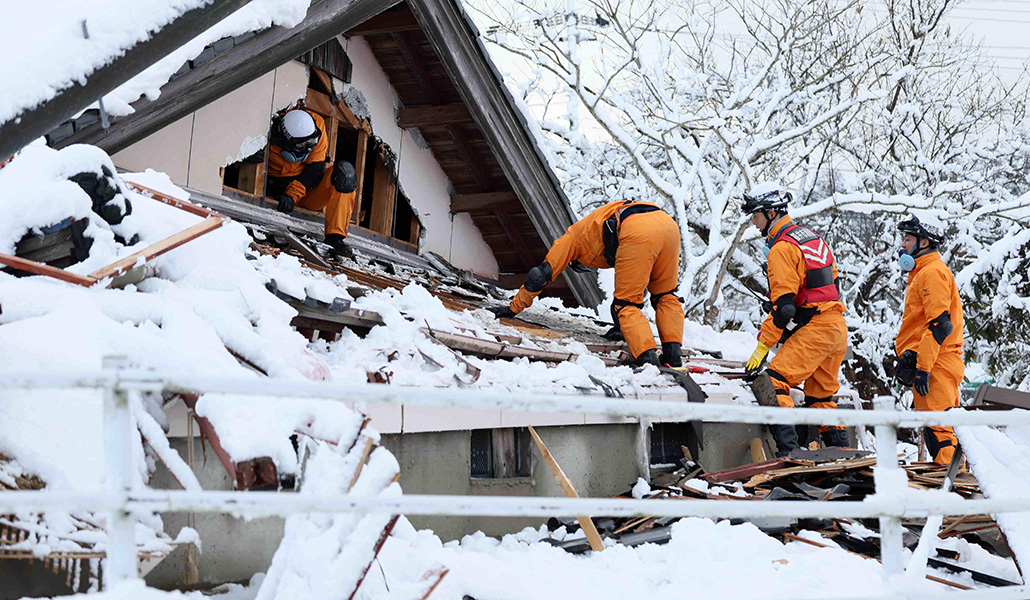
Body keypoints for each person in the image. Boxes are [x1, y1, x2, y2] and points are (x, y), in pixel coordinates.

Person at [488, 199, 684, 368]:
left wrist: (513, 308)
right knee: (665, 295)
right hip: (667, 225)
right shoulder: (593, 229)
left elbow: (539, 275)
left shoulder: (572, 239)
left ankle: (648, 361)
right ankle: (673, 355)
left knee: (626, 304)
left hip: (635, 229)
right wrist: (620, 329)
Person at [742, 183, 849, 456]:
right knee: (821, 397)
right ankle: (842, 457)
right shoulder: (812, 237)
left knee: (773, 381)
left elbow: (784, 310)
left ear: (771, 213)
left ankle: (791, 454)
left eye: (755, 216)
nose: (753, 223)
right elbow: (825, 286)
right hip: (836, 326)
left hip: (817, 330)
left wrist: (762, 347)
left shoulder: (781, 248)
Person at [893, 215, 964, 465]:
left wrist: (923, 368)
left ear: (923, 242)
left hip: (937, 364)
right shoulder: (922, 271)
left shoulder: (932, 272)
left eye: (908, 238)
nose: (902, 244)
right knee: (934, 429)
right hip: (931, 361)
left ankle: (953, 487)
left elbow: (940, 325)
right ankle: (947, 484)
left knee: (940, 431)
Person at [266, 107, 358, 258]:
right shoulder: (265, 128)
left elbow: (314, 170)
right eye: (302, 146)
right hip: (269, 186)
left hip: (305, 190)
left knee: (345, 173)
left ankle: (335, 237)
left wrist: (292, 195)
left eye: (310, 143)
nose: (308, 149)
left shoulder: (318, 125)